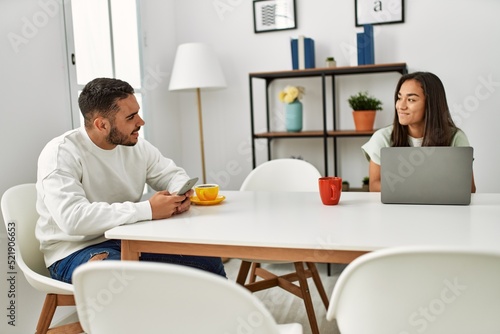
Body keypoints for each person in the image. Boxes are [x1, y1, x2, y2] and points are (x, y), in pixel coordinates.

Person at [36, 77, 226, 283]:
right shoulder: (61, 153)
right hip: (74, 251)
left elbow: (171, 174)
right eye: (131, 117)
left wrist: (180, 192)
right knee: (126, 279)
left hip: (128, 239)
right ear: (102, 125)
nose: (141, 122)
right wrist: (149, 210)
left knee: (208, 261)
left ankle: (218, 314)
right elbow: (73, 219)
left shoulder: (137, 146)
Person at [361, 71, 476, 192]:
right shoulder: (382, 138)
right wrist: (423, 190)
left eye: (411, 100)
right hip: (396, 210)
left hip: (441, 210)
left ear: (430, 104)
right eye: (399, 98)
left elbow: (469, 189)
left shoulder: (456, 138)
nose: (400, 106)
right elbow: (374, 186)